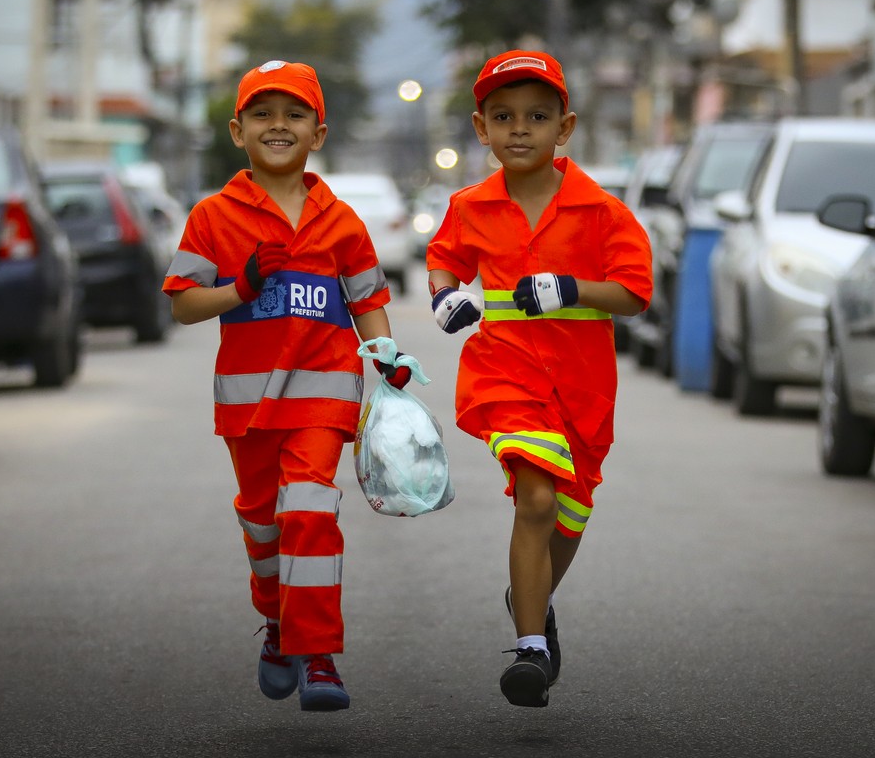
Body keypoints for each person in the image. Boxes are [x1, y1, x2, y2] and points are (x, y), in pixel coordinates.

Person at [163, 59, 412, 713]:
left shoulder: (342, 222)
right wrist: (239, 287)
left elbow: (368, 301)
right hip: (247, 405)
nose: (279, 126)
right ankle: (276, 626)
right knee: (264, 523)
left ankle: (318, 654)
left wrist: (387, 359)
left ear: (318, 133)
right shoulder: (213, 216)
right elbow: (182, 305)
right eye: (263, 115)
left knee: (307, 510)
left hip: (326, 390)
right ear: (237, 130)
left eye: (294, 114)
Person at [426, 49, 652, 708]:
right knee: (536, 499)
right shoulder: (470, 206)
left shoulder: (602, 212)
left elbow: (635, 291)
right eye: (503, 116)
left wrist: (573, 287)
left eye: (536, 115)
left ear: (566, 126)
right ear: (480, 128)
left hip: (583, 386)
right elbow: (443, 262)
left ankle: (531, 599)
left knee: (570, 513)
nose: (519, 128)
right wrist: (445, 299)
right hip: (505, 373)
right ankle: (530, 647)